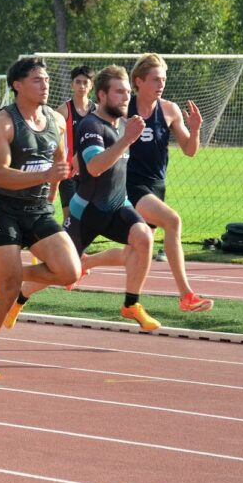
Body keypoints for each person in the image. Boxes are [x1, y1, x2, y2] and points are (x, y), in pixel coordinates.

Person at [14, 66, 161, 333]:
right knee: (59, 272)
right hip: (86, 213)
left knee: (144, 238)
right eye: (119, 92)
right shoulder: (91, 125)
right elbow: (94, 167)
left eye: (128, 92)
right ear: (102, 95)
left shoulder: (126, 123)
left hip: (118, 205)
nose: (126, 97)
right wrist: (126, 141)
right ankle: (18, 296)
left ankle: (131, 303)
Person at [0, 57, 81, 380]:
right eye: (36, 79)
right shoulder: (2, 124)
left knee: (70, 272)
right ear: (17, 85)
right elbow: (1, 175)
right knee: (9, 289)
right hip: (4, 210)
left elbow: (60, 160)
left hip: (38, 210)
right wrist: (46, 174)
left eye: (46, 79)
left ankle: (8, 276)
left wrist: (53, 189)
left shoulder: (56, 121)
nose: (44, 84)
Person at [87, 53, 211, 312]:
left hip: (156, 186)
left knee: (134, 252)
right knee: (173, 221)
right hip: (129, 184)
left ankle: (83, 264)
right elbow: (98, 131)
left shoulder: (170, 110)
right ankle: (186, 295)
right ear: (138, 81)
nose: (161, 84)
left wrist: (196, 129)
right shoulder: (123, 108)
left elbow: (189, 150)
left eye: (163, 79)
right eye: (155, 79)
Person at [53, 64, 96, 224]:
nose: (81, 86)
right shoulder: (63, 110)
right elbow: (53, 140)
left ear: (91, 85)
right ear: (72, 84)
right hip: (68, 173)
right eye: (78, 82)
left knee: (87, 219)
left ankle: (77, 249)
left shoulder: (97, 111)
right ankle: (68, 248)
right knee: (70, 218)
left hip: (91, 172)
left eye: (85, 82)